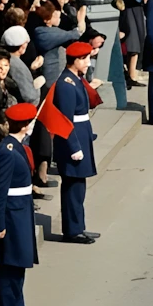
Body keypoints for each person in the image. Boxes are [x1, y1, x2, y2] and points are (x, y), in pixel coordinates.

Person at [0, 100, 40, 306]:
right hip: (11, 215)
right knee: (10, 267)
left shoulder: (14, 146)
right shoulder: (7, 152)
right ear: (26, 126)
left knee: (18, 268)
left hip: (21, 211)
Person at [52, 40, 98, 243]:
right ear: (76, 60)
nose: (88, 62)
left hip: (81, 135)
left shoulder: (74, 79)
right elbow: (65, 119)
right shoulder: (66, 84)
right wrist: (74, 146)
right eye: (85, 59)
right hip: (73, 140)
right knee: (73, 187)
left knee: (79, 186)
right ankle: (72, 230)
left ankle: (78, 225)